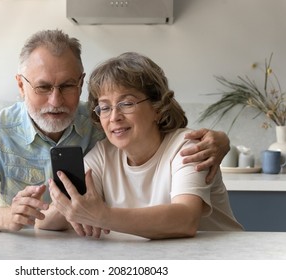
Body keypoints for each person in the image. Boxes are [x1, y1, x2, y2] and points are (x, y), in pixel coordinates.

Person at [0, 29, 230, 232]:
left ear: (80, 83)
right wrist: (14, 214)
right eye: (43, 87)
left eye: (67, 86)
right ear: (21, 85)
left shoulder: (102, 126)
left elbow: (184, 215)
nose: (55, 101)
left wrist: (222, 140)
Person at [42, 52, 243, 239]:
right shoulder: (104, 154)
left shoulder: (187, 147)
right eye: (105, 107)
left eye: (127, 104)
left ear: (157, 108)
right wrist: (62, 206)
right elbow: (48, 223)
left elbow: (185, 219)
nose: (114, 117)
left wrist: (102, 216)